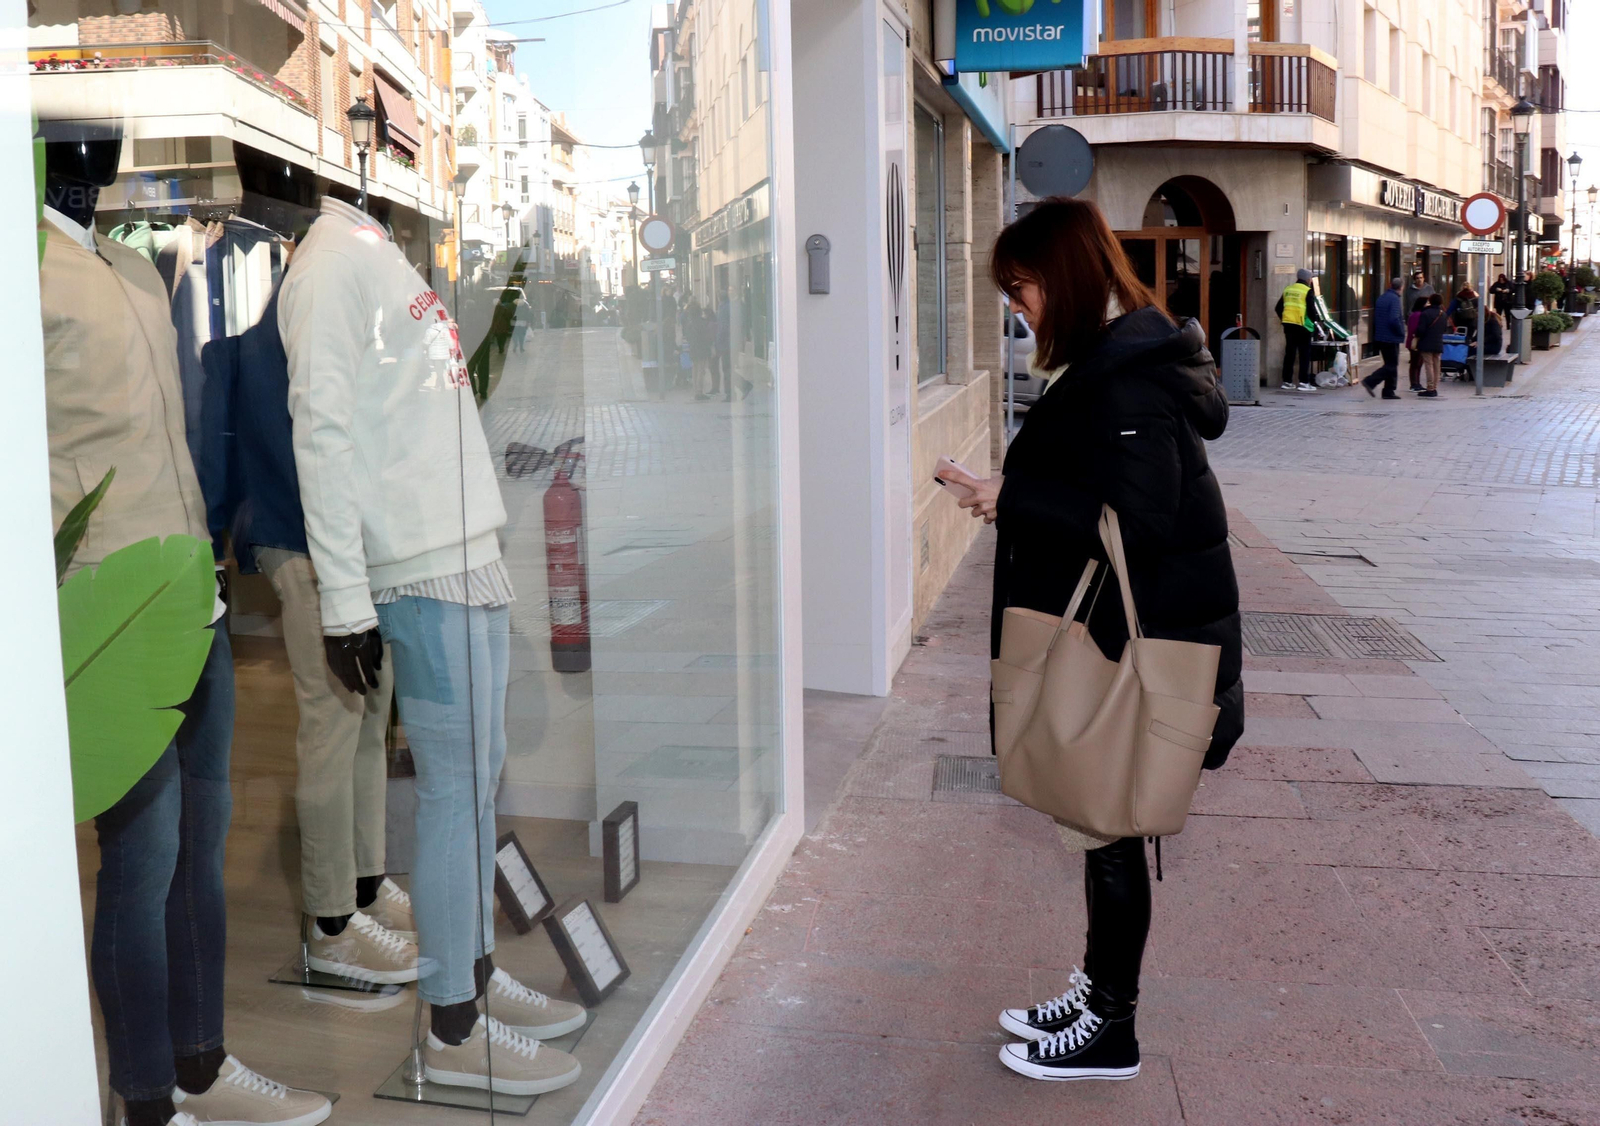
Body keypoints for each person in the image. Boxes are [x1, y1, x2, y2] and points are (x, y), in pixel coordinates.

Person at [280, 195, 586, 1096]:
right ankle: (453, 1025)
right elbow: (320, 433)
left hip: (465, 552)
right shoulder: (329, 262)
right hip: (417, 568)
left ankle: (475, 982)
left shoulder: (373, 247)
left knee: (477, 782)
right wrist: (343, 602)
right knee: (456, 793)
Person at [936, 197, 1244, 1084]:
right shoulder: (1121, 363)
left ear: (1064, 278)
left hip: (1126, 651)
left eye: (1023, 286)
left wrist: (1010, 496)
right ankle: (1100, 993)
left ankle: (1113, 1030)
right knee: (1099, 829)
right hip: (1121, 633)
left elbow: (1138, 524)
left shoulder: (1123, 381)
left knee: (1111, 830)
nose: (1017, 305)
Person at [1361, 276, 1406, 398]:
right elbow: (1394, 319)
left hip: (1380, 336)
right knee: (1391, 365)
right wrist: (1401, 331)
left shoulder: (1382, 298)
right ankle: (1370, 381)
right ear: (1401, 287)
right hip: (1390, 337)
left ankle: (1388, 390)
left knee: (1390, 363)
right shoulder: (1395, 300)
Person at [1275, 268, 1316, 392]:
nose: (1310, 280)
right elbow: (1311, 310)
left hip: (1289, 325)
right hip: (1302, 325)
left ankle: (1287, 381)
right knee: (1304, 354)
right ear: (1307, 279)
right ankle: (1303, 382)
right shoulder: (1307, 291)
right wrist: (1314, 320)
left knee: (1290, 353)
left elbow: (1277, 307)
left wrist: (1284, 318)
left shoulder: (1288, 289)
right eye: (1310, 278)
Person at [1413, 292, 1449, 398]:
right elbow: (1444, 329)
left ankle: (1430, 388)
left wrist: (1416, 334)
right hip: (1438, 343)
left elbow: (1421, 329)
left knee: (1428, 365)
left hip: (1426, 342)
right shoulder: (1443, 314)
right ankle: (1435, 387)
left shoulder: (1425, 313)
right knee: (1436, 365)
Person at [1404, 296, 1429, 391]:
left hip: (1416, 342)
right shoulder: (1417, 315)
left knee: (1418, 363)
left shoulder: (1416, 314)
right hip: (1415, 342)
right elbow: (1415, 329)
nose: (1428, 305)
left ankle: (1417, 383)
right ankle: (1414, 383)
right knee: (1415, 363)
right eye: (1426, 303)